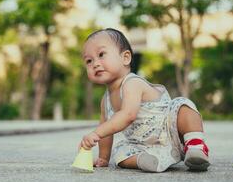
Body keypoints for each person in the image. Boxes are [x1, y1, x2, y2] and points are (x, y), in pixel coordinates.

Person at [79, 28, 210, 172]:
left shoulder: (132, 83)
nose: (95, 63)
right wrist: (104, 157)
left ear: (125, 58)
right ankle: (143, 160)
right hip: (142, 145)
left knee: (182, 106)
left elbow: (128, 115)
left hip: (170, 129)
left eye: (101, 54)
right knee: (120, 154)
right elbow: (107, 130)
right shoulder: (106, 100)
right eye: (89, 61)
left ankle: (195, 146)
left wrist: (96, 133)